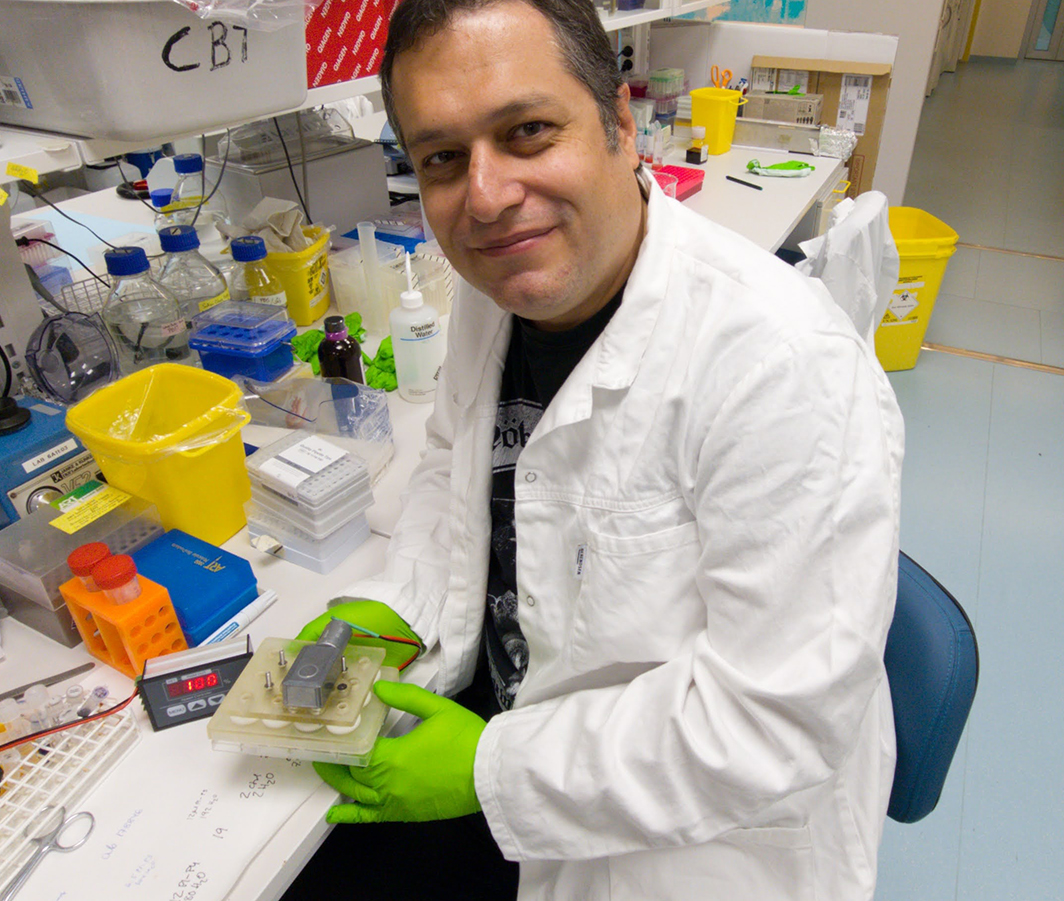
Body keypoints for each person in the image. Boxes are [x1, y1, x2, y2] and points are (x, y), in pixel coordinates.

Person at [283, 0, 905, 899]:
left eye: (528, 131)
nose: (487, 197)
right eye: (443, 159)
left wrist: (491, 772)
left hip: (679, 842)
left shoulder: (781, 362)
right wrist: (398, 610)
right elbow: (453, 469)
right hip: (508, 726)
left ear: (620, 122)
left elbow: (775, 721)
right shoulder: (496, 292)